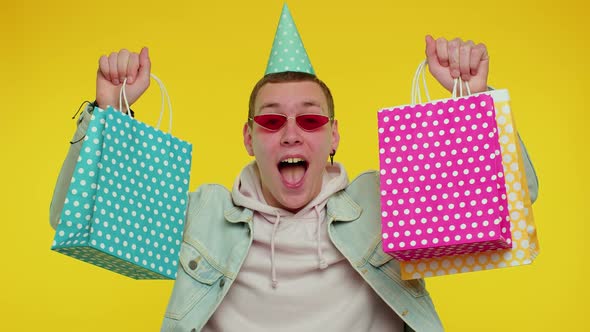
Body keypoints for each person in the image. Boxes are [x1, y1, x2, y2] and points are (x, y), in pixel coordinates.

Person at [50, 5, 538, 332]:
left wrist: (475, 101)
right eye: (270, 120)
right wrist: (107, 116)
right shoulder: (203, 213)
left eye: (309, 119)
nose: (290, 134)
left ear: (333, 136)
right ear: (248, 137)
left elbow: (518, 199)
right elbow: (73, 218)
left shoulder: (385, 200)